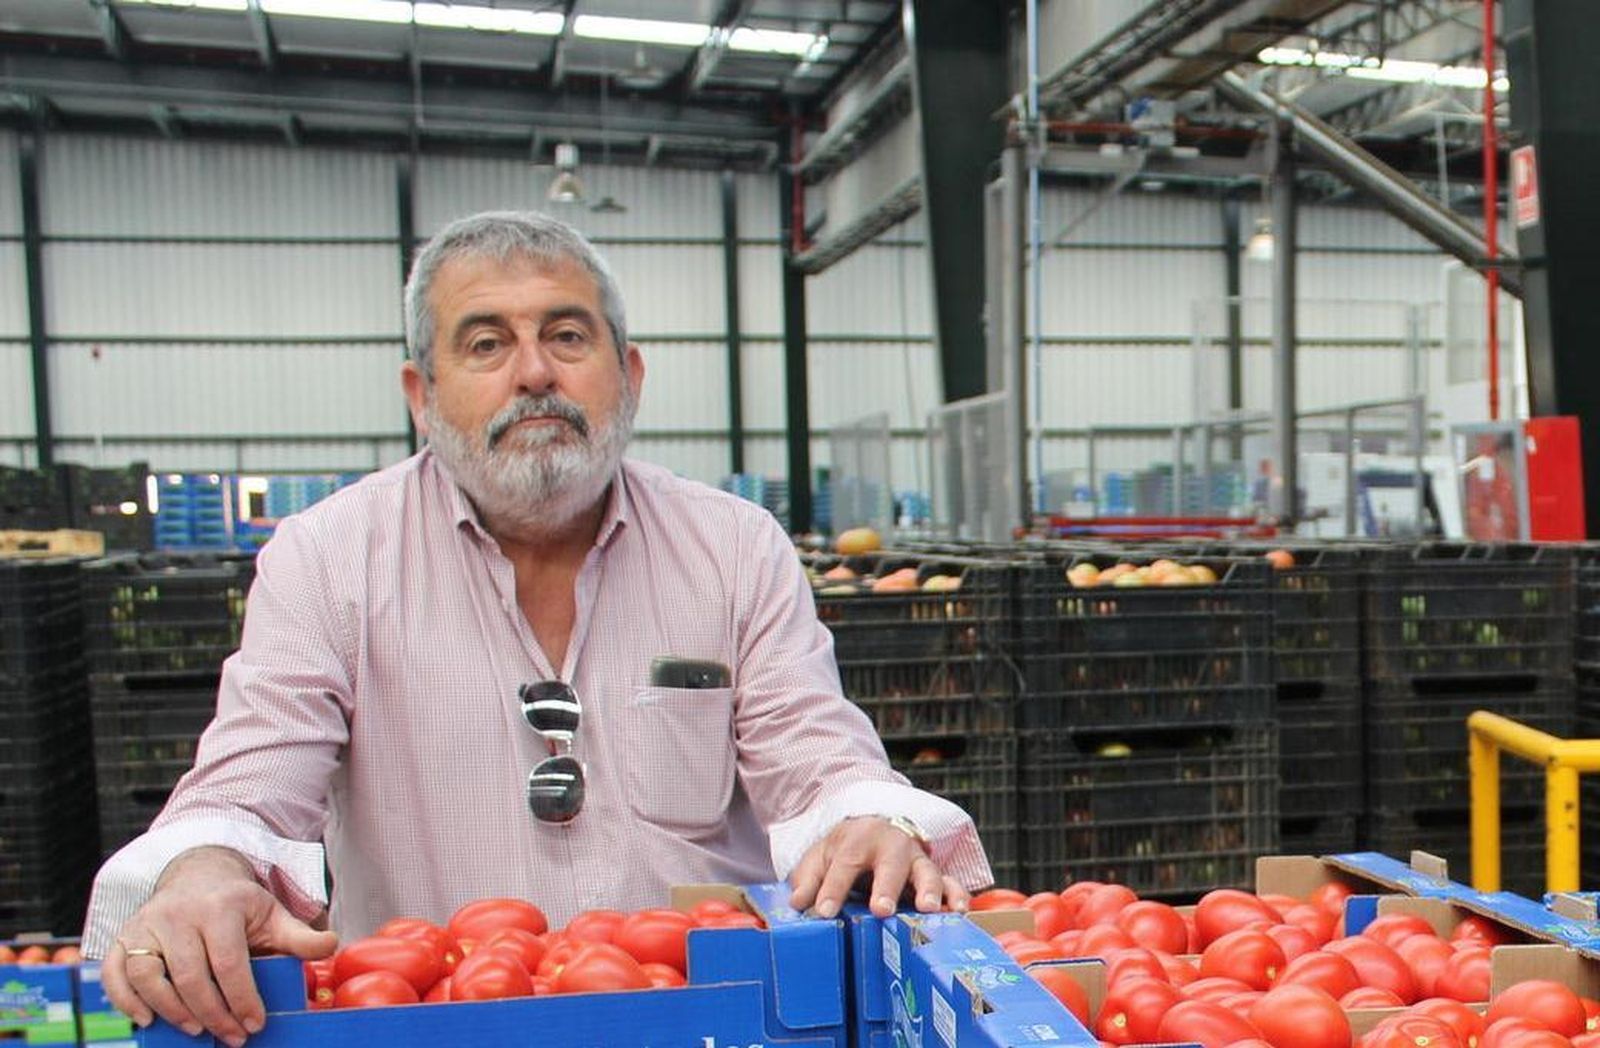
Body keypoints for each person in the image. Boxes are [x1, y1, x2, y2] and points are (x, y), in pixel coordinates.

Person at [82, 210, 992, 1046]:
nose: (534, 373)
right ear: (421, 393)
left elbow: (814, 752)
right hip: (437, 1022)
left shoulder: (734, 548)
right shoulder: (329, 559)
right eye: (486, 343)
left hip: (706, 1021)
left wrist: (869, 818)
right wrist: (204, 866)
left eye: (567, 335)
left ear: (628, 375)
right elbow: (253, 767)